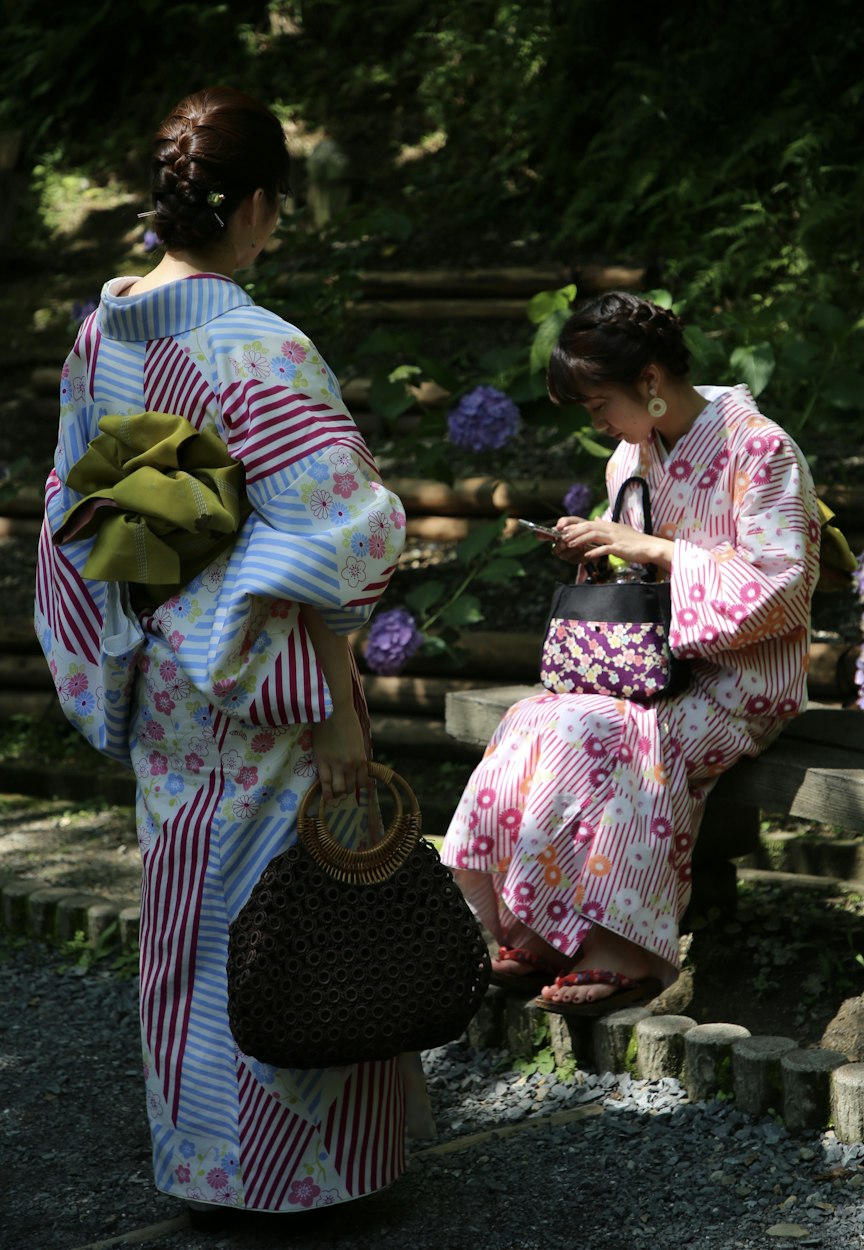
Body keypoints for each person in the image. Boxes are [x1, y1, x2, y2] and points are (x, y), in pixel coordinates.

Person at [34, 87, 411, 1224]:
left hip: (157, 673)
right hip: (261, 685)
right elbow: (333, 537)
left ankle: (201, 1163)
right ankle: (309, 1177)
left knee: (193, 910)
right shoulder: (256, 345)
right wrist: (340, 713)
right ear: (253, 206)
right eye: (274, 209)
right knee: (291, 907)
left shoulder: (99, 339)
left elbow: (73, 510)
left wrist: (135, 635)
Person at [440, 292, 821, 1015]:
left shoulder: (760, 448)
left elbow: (781, 590)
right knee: (535, 719)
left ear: (650, 380)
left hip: (742, 674)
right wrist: (600, 550)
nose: (599, 423)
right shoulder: (631, 458)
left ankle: (627, 949)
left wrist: (650, 547)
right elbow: (636, 574)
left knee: (615, 733)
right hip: (650, 665)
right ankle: (541, 927)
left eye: (599, 404)